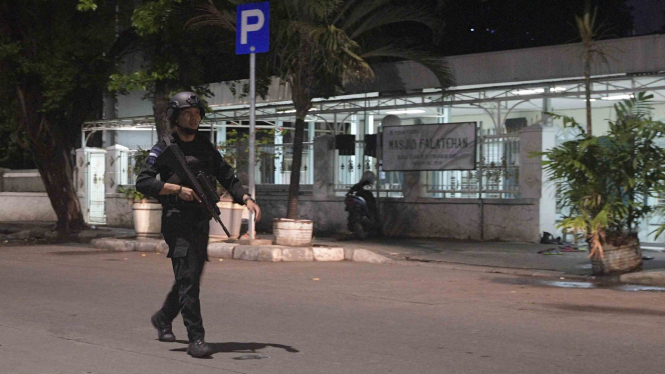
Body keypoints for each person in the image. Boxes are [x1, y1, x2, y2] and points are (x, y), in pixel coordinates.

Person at [136, 91, 261, 358]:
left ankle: (163, 317)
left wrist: (246, 198)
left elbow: (227, 176)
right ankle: (197, 338)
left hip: (200, 221)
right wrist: (174, 189)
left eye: (196, 114)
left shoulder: (206, 146)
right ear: (175, 117)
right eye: (187, 114)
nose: (193, 118)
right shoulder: (164, 148)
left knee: (189, 278)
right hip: (176, 221)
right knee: (189, 279)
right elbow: (143, 182)